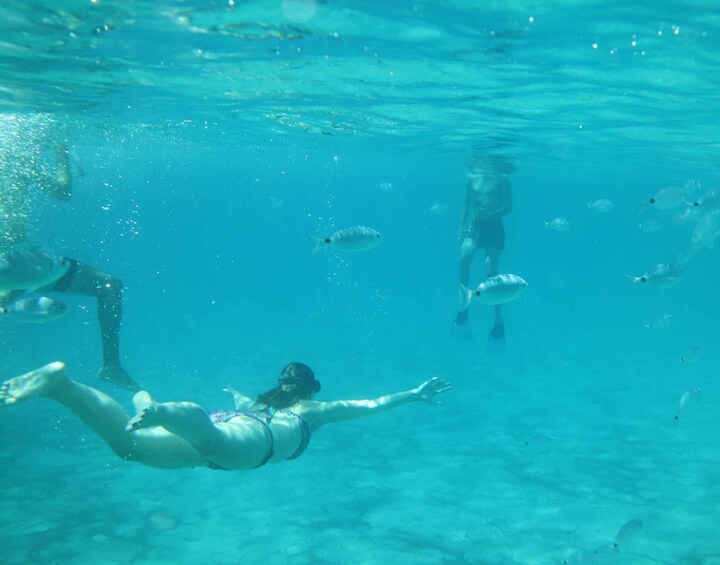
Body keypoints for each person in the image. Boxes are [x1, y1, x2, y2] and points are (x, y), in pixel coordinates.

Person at [0, 361, 452, 470]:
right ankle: (156, 408)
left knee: (126, 446)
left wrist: (235, 394)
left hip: (229, 424)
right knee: (213, 441)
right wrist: (413, 394)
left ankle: (63, 387)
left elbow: (238, 401)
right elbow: (367, 406)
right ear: (312, 388)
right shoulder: (312, 411)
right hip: (253, 445)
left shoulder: (259, 402)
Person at [0, 136, 139, 391]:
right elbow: (63, 191)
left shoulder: (15, 154)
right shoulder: (14, 152)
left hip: (21, 263)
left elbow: (60, 193)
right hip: (19, 263)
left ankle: (111, 366)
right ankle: (111, 366)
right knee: (108, 285)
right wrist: (61, 151)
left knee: (108, 285)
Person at [453, 155, 514, 353]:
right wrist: (461, 226)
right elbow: (466, 203)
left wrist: (492, 213)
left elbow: (508, 207)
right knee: (464, 257)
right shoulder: (472, 178)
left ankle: (498, 320)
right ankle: (463, 308)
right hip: (475, 225)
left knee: (490, 270)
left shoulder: (503, 179)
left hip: (495, 227)